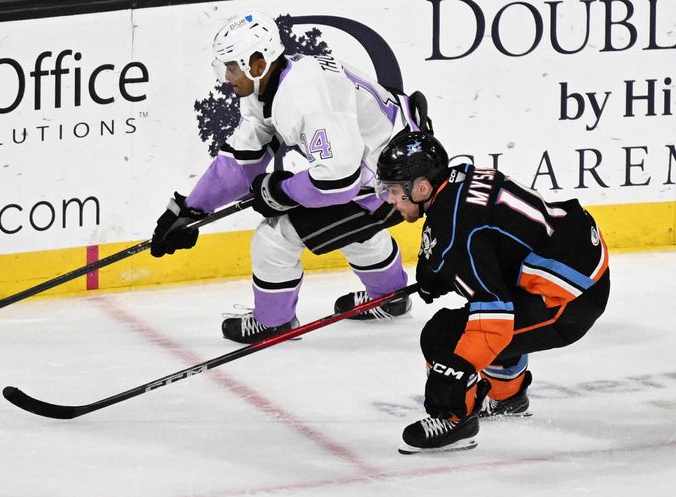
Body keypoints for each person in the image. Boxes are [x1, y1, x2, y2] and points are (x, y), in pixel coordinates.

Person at [150, 11, 429, 344]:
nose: (226, 77)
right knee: (352, 230)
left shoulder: (305, 97)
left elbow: (338, 181)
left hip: (397, 183)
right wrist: (192, 209)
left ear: (257, 64)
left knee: (275, 236)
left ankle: (274, 321)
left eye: (232, 67)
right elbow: (242, 160)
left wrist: (280, 191)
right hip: (387, 163)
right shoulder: (270, 85)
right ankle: (390, 297)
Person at [375, 130, 610, 453]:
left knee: (444, 335)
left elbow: (493, 318)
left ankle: (454, 419)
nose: (389, 199)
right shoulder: (460, 178)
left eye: (392, 190)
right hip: (576, 262)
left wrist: (450, 379)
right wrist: (441, 271)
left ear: (422, 188)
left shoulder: (454, 231)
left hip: (569, 300)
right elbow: (489, 237)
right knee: (494, 301)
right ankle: (507, 397)